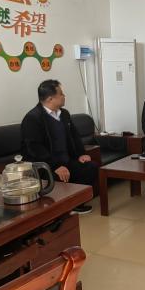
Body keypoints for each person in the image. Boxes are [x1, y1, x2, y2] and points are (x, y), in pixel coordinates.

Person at [21, 79, 97, 215]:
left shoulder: (64, 114)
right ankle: (62, 207)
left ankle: (76, 204)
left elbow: (74, 136)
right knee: (57, 176)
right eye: (61, 94)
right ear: (50, 99)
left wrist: (81, 154)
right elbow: (34, 148)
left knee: (90, 167)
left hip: (67, 160)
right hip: (46, 165)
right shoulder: (33, 118)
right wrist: (55, 166)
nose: (64, 96)